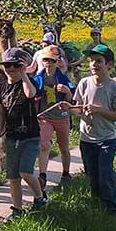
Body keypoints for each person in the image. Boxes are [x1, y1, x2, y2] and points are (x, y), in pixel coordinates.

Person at [61, 44, 116, 213]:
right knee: (93, 175)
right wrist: (69, 107)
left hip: (106, 139)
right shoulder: (84, 83)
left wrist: (99, 110)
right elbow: (78, 109)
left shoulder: (114, 87)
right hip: (86, 139)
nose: (94, 64)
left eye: (99, 61)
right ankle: (96, 203)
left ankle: (111, 208)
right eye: (91, 61)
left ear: (109, 64)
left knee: (105, 174)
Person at [0, 47, 47, 220]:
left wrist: (24, 74)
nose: (11, 69)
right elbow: (1, 113)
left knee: (25, 172)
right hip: (11, 137)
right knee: (13, 177)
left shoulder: (29, 83)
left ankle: (39, 197)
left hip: (30, 136)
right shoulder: (0, 88)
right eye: (7, 65)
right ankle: (17, 209)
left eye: (15, 65)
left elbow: (30, 94)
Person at [32, 45, 75, 189]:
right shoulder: (38, 79)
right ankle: (42, 176)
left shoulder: (63, 79)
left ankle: (66, 173)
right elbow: (32, 96)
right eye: (46, 60)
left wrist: (67, 92)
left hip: (62, 117)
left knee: (64, 146)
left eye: (52, 61)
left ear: (57, 62)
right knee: (44, 145)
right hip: (45, 117)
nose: (48, 63)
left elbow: (71, 102)